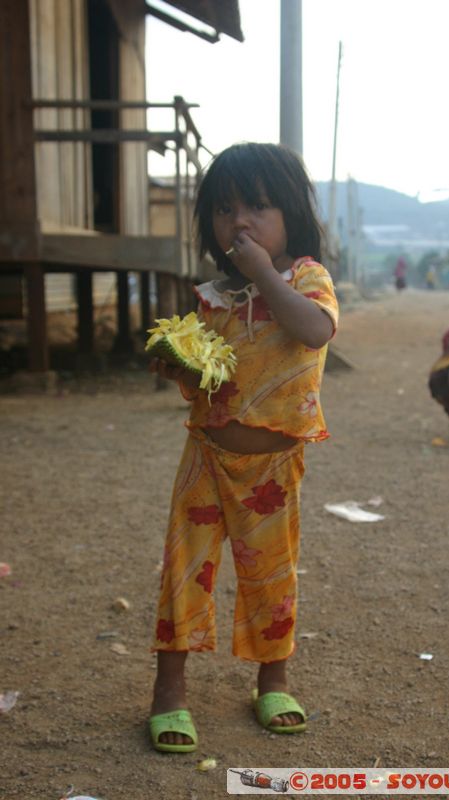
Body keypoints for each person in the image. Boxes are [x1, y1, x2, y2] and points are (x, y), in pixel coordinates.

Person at [148, 142, 339, 753]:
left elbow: (313, 331)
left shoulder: (307, 280)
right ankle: (169, 692)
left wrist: (263, 274)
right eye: (226, 209)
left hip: (272, 465)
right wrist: (175, 362)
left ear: (293, 216)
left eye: (259, 206)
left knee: (270, 577)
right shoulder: (213, 297)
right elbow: (202, 378)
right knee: (185, 571)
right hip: (206, 456)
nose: (241, 223)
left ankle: (273, 680)